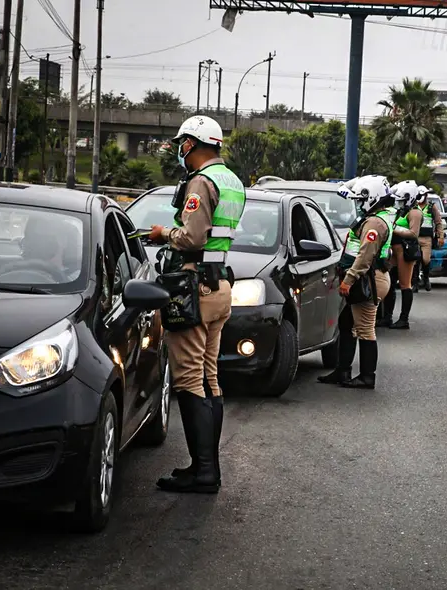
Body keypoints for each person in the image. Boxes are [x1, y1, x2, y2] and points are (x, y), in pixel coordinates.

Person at [148, 115, 245, 494]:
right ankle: (205, 465)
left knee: (189, 380)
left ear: (192, 143)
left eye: (181, 142)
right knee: (209, 377)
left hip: (195, 289)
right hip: (218, 285)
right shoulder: (232, 180)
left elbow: (191, 237)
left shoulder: (200, 182)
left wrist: (162, 233)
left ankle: (205, 471)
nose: (179, 149)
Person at [317, 175, 394, 390]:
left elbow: (364, 257)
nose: (359, 204)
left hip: (367, 279)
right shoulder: (374, 218)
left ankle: (367, 376)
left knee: (365, 328)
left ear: (373, 198)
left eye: (361, 199)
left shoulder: (374, 223)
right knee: (346, 323)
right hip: (365, 277)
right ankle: (343, 370)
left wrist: (348, 281)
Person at [378, 181, 423, 330]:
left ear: (409, 198)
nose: (399, 203)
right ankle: (387, 316)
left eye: (401, 200)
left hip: (405, 250)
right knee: (389, 282)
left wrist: (394, 228)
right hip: (394, 249)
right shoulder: (403, 210)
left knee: (405, 284)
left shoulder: (415, 212)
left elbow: (413, 234)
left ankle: (404, 319)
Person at [412, 186, 444, 292]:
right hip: (414, 237)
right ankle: (415, 283)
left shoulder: (432, 207)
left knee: (426, 260)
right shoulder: (413, 206)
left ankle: (426, 278)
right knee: (415, 260)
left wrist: (440, 236)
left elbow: (438, 222)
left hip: (427, 239)